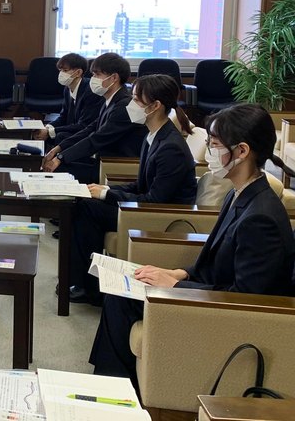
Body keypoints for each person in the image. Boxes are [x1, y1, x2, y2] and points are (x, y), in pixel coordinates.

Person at [89, 103, 295, 388]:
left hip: (227, 316)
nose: (209, 152)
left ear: (242, 151)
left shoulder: (261, 218)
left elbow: (246, 298)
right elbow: (214, 262)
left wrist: (177, 287)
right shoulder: (238, 194)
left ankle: (113, 389)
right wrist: (180, 273)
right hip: (208, 293)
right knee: (120, 292)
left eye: (215, 144)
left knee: (121, 301)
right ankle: (111, 386)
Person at [67, 74, 198, 304]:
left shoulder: (171, 148)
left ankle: (90, 288)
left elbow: (155, 200)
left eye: (136, 100)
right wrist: (105, 188)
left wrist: (108, 194)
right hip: (146, 208)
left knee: (88, 209)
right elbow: (140, 184)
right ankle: (83, 280)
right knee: (86, 202)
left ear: (155, 106)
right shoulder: (154, 135)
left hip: (160, 217)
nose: (131, 104)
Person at [42, 53, 147, 184]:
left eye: (97, 75)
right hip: (102, 158)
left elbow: (96, 139)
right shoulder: (111, 100)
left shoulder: (123, 107)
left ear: (114, 78)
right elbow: (89, 129)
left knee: (58, 168)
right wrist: (58, 149)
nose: (93, 79)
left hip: (115, 165)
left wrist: (60, 157)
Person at [34, 53, 103, 146]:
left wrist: (51, 131)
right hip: (75, 128)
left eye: (65, 70)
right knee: (42, 133)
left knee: (59, 136)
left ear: (78, 72)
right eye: (60, 70)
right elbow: (63, 116)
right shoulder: (67, 88)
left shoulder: (91, 91)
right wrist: (48, 127)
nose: (61, 74)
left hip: (87, 133)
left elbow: (84, 125)